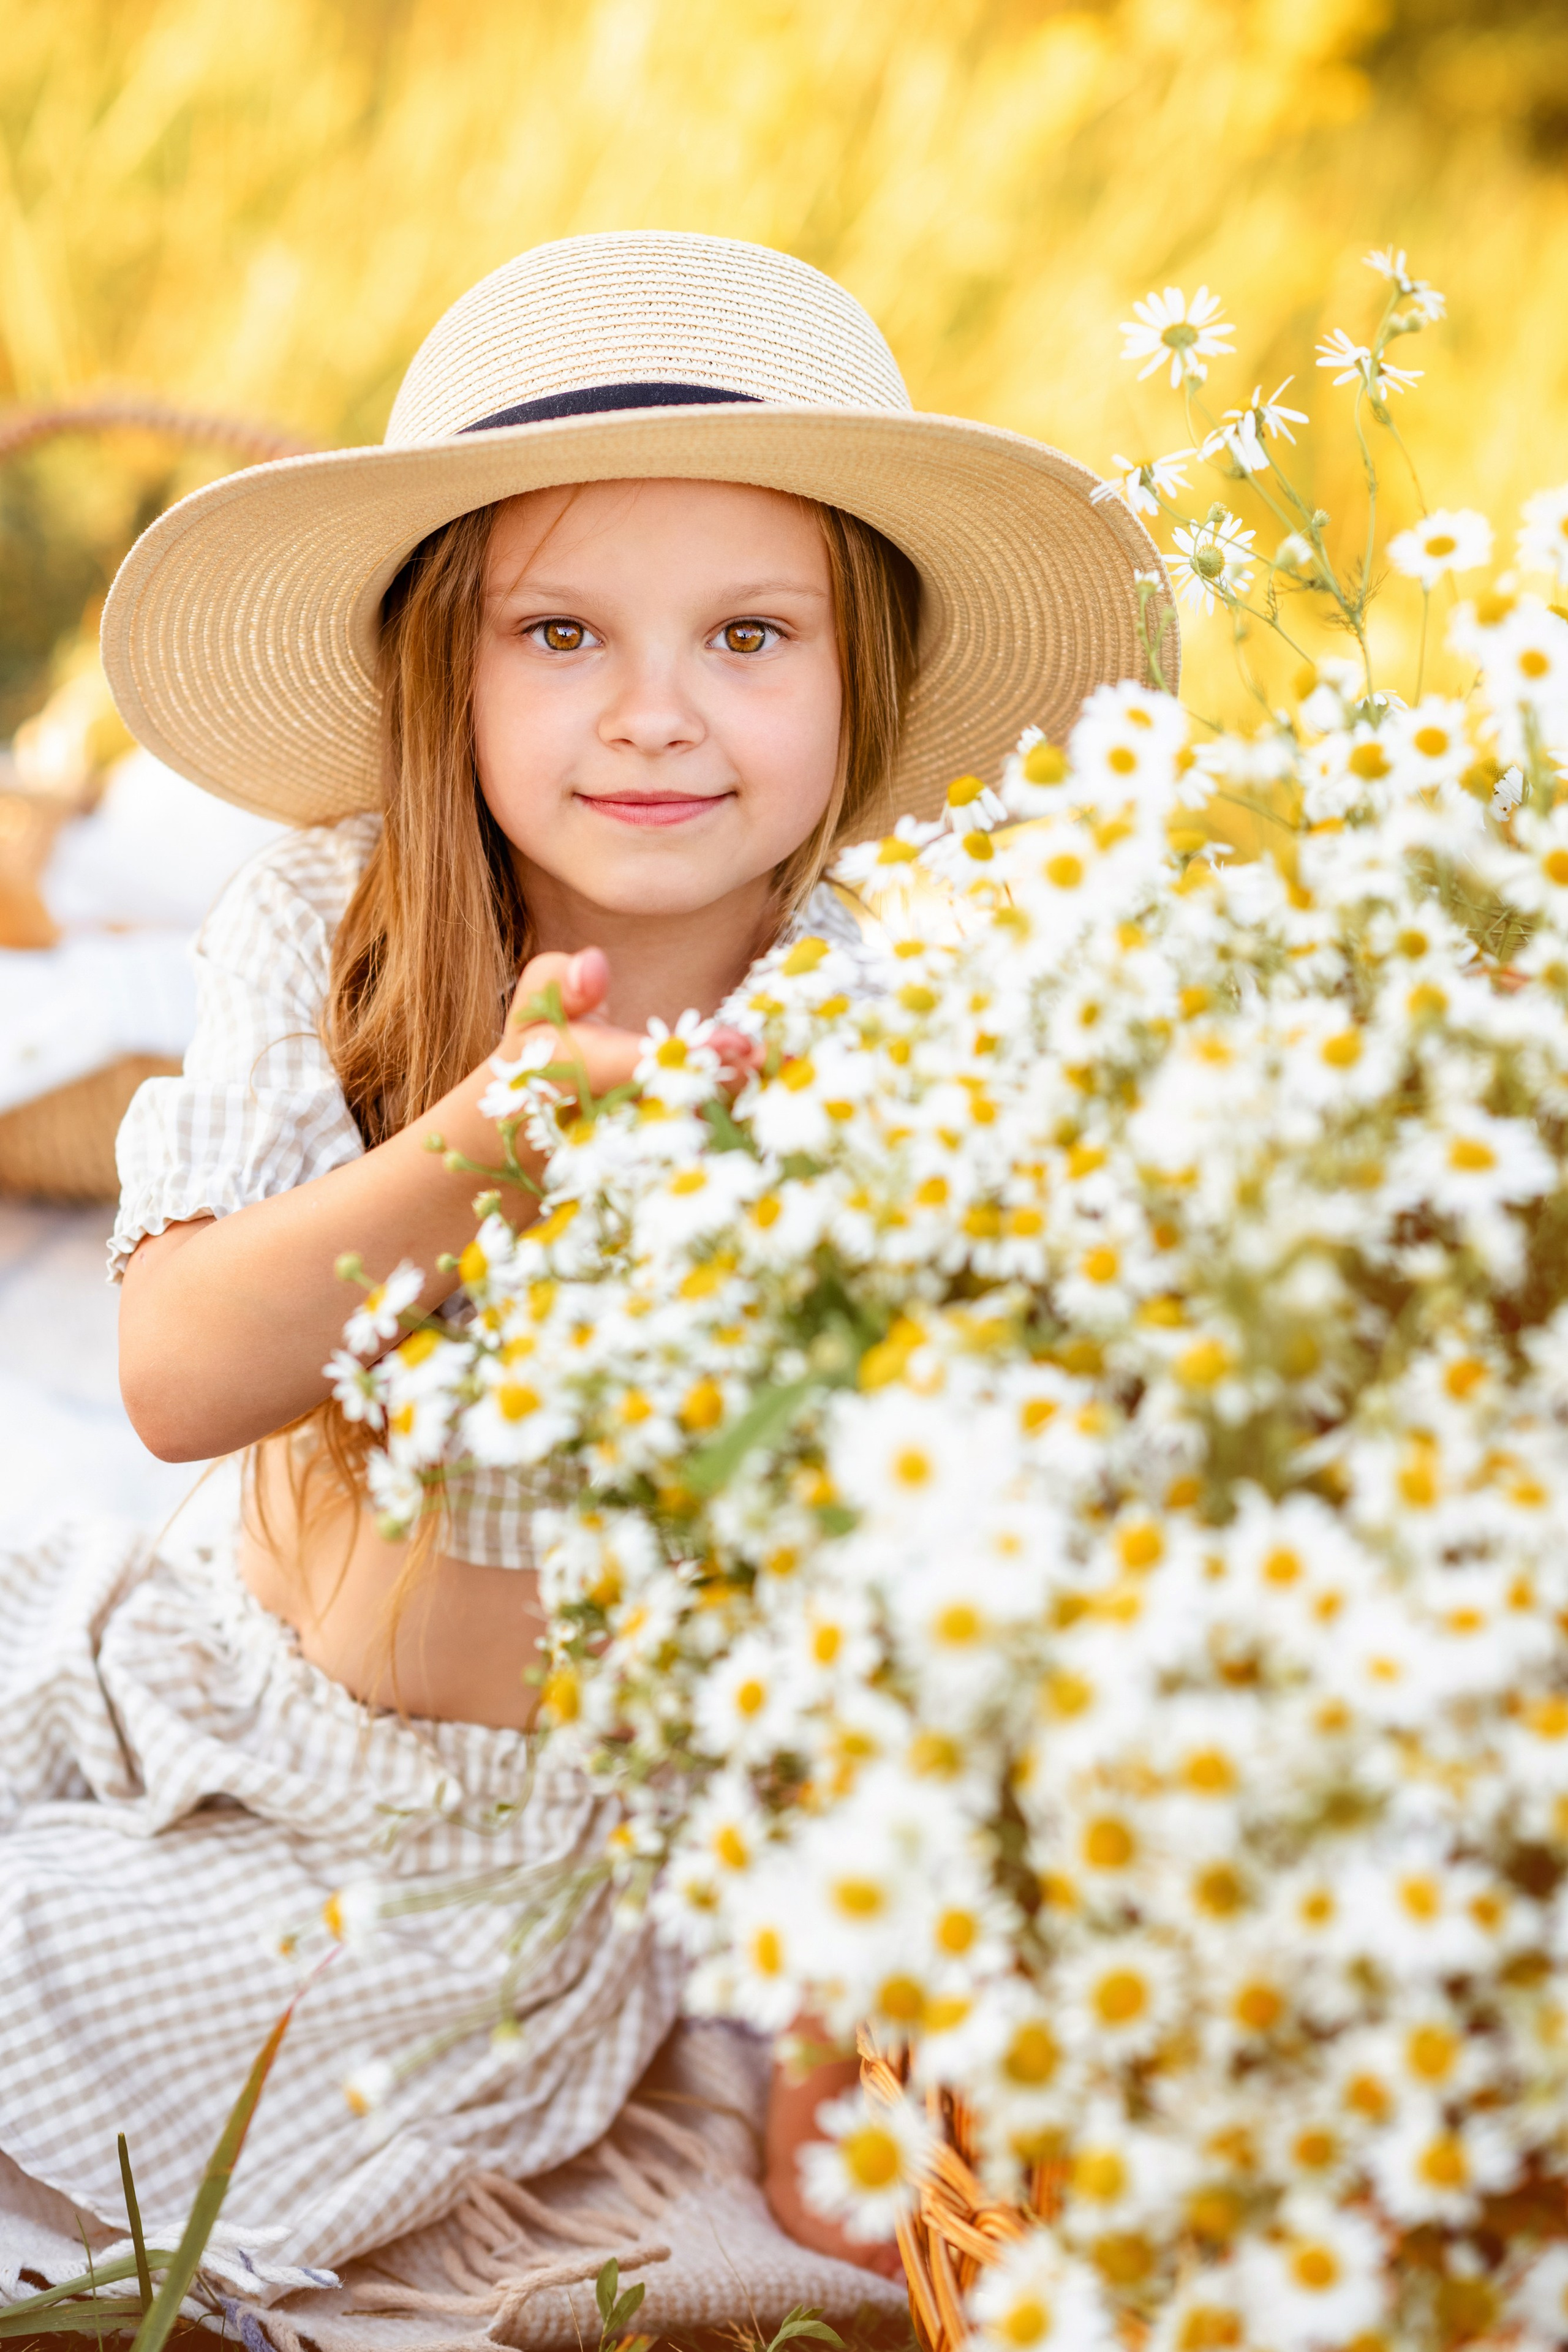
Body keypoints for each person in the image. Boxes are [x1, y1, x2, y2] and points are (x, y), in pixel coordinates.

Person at [0, 233, 1168, 2330]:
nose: (654, 714)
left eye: (748, 634)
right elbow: (174, 1374)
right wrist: (479, 1144)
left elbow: (891, 1600)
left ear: (862, 678)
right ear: (443, 667)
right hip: (174, 1684)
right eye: (559, 631)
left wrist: (838, 2048)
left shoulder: (879, 1039)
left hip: (443, 1895)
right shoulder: (332, 919)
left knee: (69, 1986)